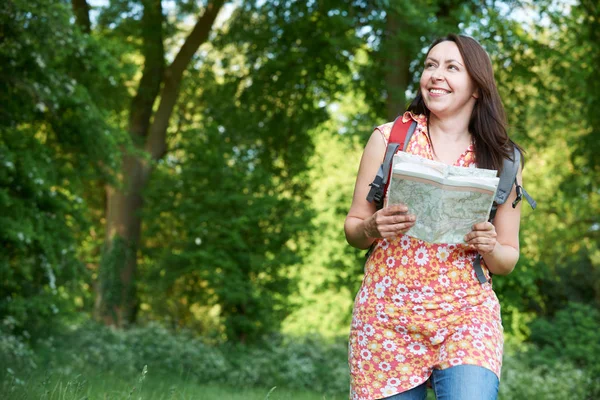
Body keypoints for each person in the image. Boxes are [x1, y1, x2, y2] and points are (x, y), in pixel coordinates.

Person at [344, 34, 524, 400]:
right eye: (430, 65)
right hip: (386, 319)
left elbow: (507, 258)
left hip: (466, 316)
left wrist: (490, 246)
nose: (436, 75)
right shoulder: (388, 138)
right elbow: (353, 228)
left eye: (452, 67)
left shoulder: (504, 159)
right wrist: (370, 226)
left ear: (476, 86)